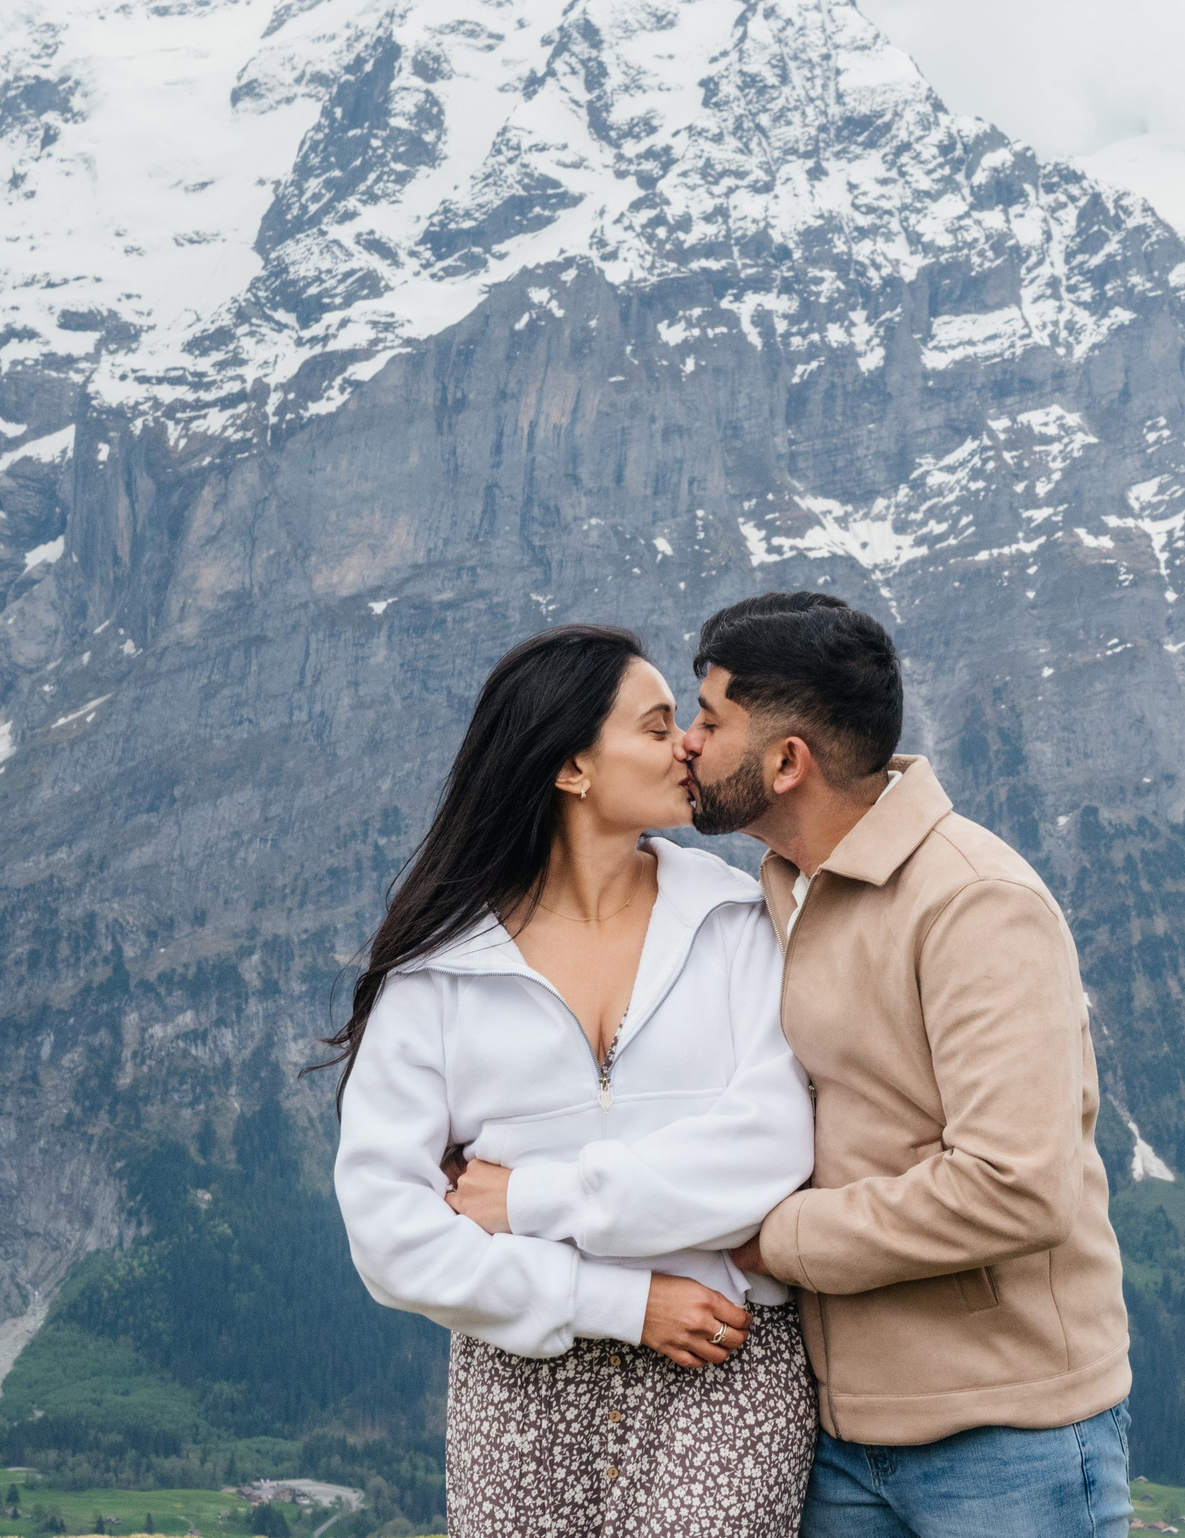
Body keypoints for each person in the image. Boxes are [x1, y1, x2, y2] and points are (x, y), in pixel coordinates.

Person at [325, 624, 818, 1537]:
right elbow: (388, 1229)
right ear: (572, 769)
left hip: (722, 1357)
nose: (690, 746)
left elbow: (774, 1147)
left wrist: (530, 1198)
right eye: (658, 723)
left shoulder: (739, 921)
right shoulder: (438, 973)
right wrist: (621, 1302)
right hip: (519, 1382)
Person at [679, 592, 1134, 1538]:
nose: (686, 742)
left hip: (1008, 1432)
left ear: (787, 761)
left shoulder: (975, 902)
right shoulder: (778, 890)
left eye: (709, 719)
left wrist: (782, 1239)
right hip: (842, 1435)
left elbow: (1017, 1186)